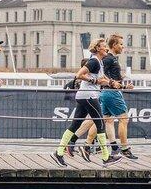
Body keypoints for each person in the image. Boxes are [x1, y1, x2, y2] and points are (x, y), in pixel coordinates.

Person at [51, 38, 120, 167]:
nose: (106, 49)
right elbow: (79, 74)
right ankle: (106, 157)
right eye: (104, 47)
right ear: (98, 48)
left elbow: (102, 78)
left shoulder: (99, 62)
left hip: (84, 95)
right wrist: (95, 82)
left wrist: (112, 83)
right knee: (100, 124)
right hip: (89, 96)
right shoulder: (94, 61)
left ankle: (58, 152)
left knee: (75, 125)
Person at [100, 34, 138, 160]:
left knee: (108, 120)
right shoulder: (109, 59)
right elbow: (101, 74)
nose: (123, 47)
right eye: (121, 44)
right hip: (112, 93)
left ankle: (112, 147)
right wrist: (112, 83)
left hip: (106, 92)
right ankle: (125, 148)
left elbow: (109, 76)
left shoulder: (111, 59)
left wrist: (125, 86)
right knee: (124, 119)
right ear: (114, 45)